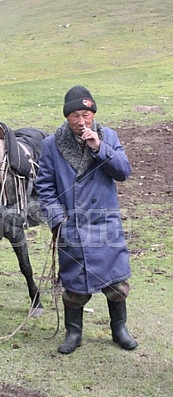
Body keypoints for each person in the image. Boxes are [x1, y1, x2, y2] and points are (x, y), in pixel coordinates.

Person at [36, 85, 138, 354]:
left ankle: (119, 329)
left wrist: (100, 148)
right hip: (73, 227)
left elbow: (123, 172)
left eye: (86, 114)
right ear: (66, 117)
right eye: (74, 116)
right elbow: (44, 188)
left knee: (116, 283)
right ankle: (74, 333)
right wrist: (59, 221)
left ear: (93, 113)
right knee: (74, 286)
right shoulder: (51, 145)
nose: (81, 121)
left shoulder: (109, 137)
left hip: (106, 225)